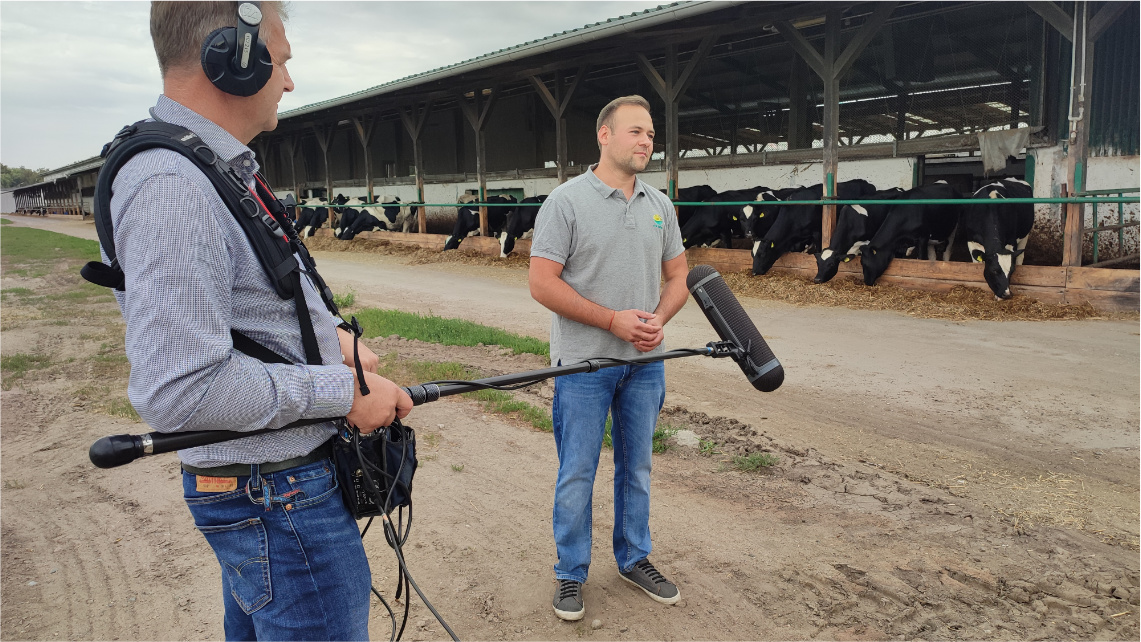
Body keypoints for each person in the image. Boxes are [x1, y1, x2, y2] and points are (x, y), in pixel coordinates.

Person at [107, 3, 412, 639]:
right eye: (282, 59)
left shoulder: (206, 169)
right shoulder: (173, 185)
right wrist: (342, 394)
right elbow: (180, 393)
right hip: (277, 499)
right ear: (236, 58)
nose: (290, 81)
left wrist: (329, 341)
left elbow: (237, 315)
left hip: (272, 495)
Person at [528, 95, 689, 621]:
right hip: (583, 367)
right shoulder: (567, 202)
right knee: (577, 470)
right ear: (604, 135)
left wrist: (658, 320)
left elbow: (679, 277)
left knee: (637, 467)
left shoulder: (660, 205)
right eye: (635, 132)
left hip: (645, 365)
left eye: (650, 135)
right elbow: (541, 284)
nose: (646, 142)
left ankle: (633, 558)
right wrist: (612, 320)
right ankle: (570, 573)